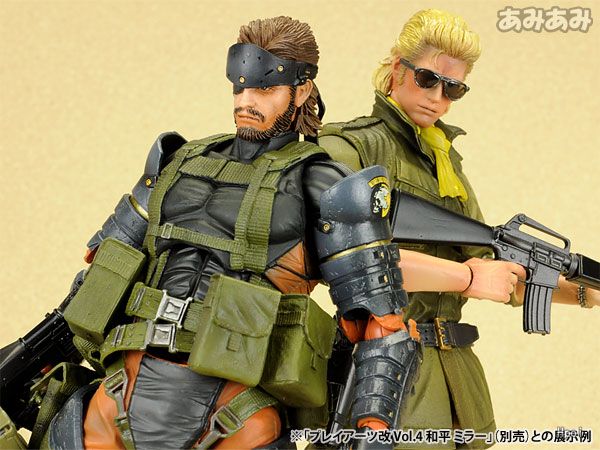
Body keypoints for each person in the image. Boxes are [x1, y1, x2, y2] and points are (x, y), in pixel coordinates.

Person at [0, 14, 544, 450]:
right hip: (115, 403)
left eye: (265, 88)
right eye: (241, 87)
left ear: (301, 90)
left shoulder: (324, 184)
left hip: (233, 417)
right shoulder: (175, 161)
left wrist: (369, 433)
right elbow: (97, 282)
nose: (246, 101)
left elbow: (381, 324)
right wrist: (18, 366)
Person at [319, 8, 599, 449]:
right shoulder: (351, 147)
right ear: (397, 69)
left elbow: (498, 273)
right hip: (386, 372)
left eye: (454, 88)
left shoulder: (445, 163)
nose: (438, 97)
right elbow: (352, 263)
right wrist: (467, 277)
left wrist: (582, 293)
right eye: (427, 79)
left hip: (459, 380)